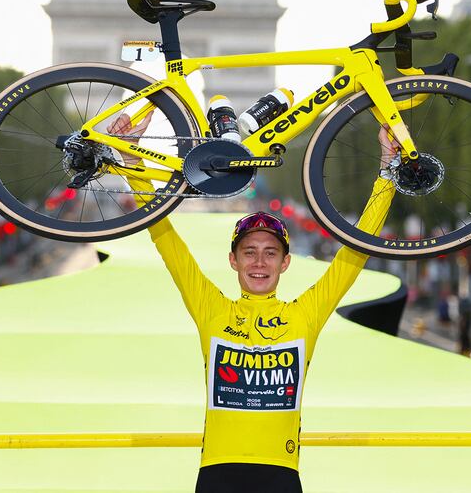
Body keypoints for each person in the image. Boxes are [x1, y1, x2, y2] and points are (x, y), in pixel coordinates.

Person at [112, 113, 398, 493]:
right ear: (233, 260)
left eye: (269, 253)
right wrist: (133, 162)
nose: (259, 262)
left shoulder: (304, 314)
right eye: (249, 252)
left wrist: (388, 170)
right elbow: (165, 237)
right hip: (217, 474)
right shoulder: (212, 308)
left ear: (285, 263)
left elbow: (355, 252)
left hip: (280, 474)